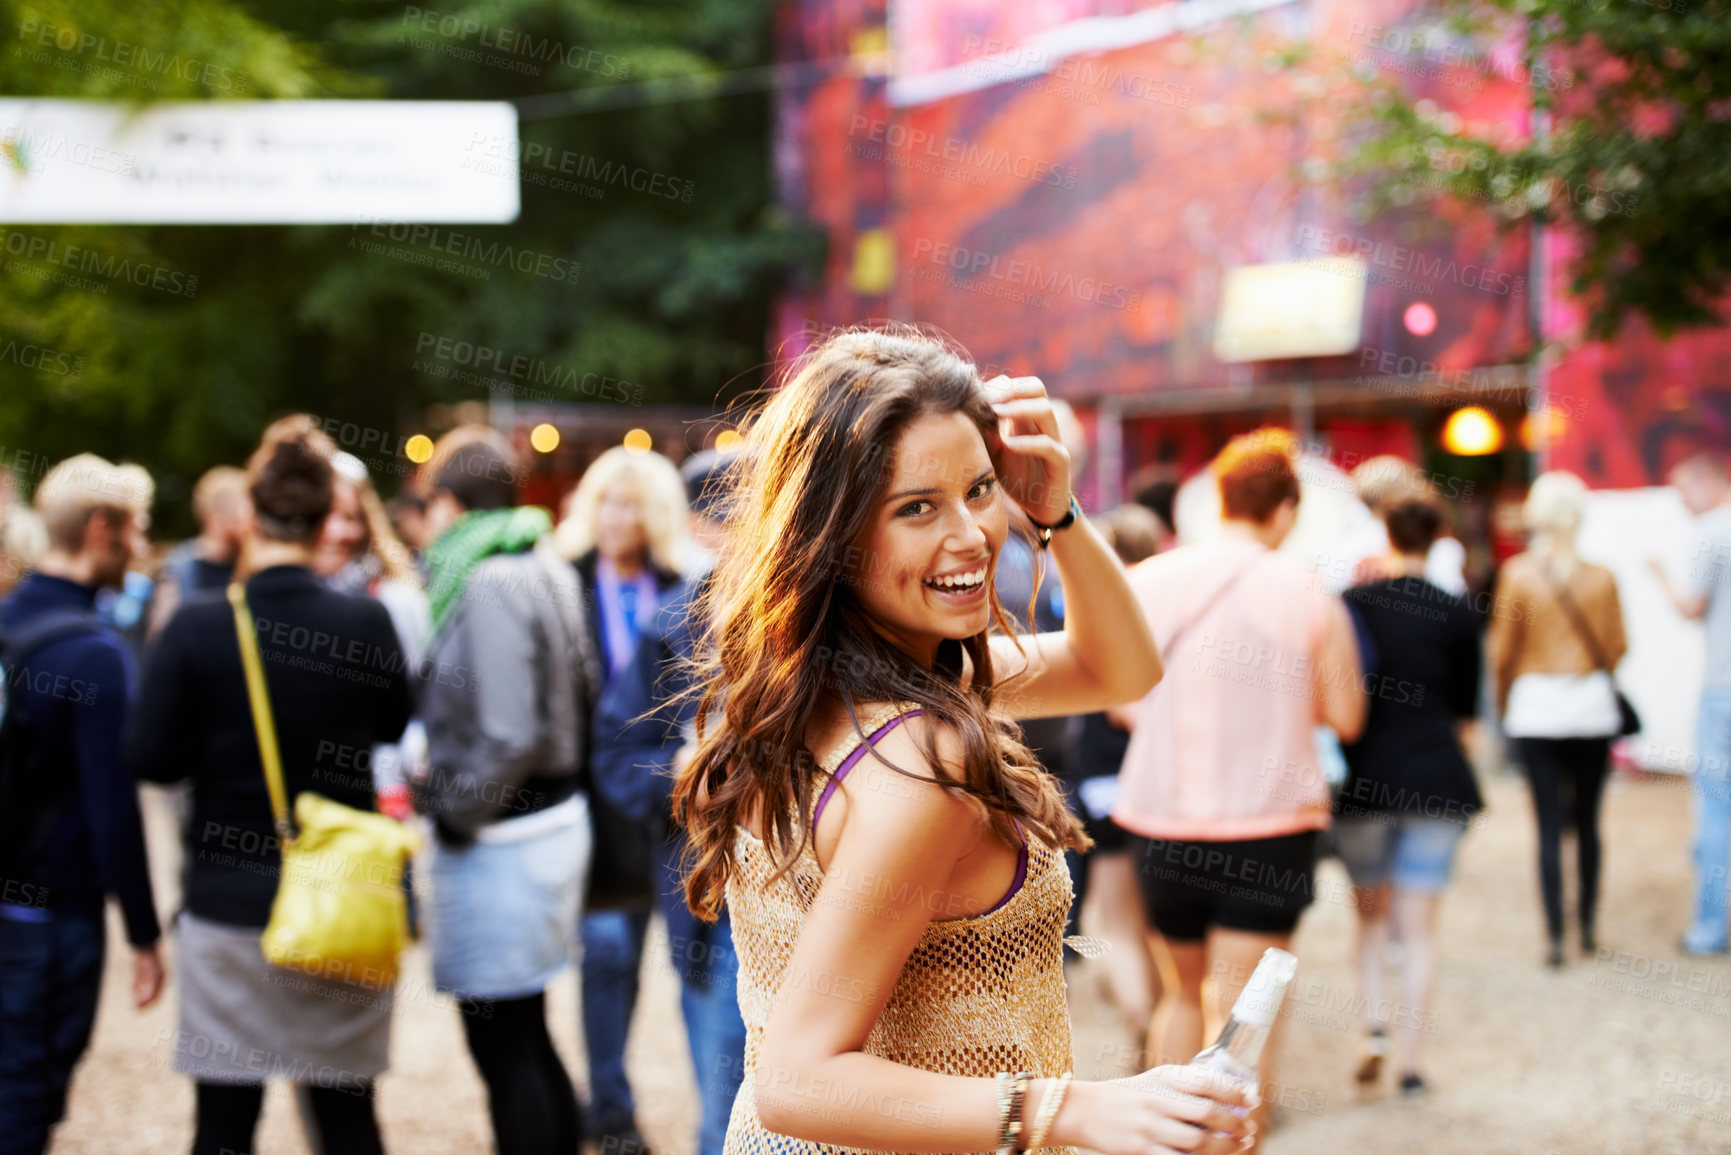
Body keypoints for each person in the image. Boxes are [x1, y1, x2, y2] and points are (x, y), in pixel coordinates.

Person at [672, 328, 1254, 1155]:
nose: (974, 534)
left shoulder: (822, 683)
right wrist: (1074, 1110)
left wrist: (1054, 511)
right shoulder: (921, 758)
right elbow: (798, 1079)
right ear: (829, 536)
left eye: (979, 489)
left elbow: (1116, 667)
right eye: (917, 506)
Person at [128, 417, 414, 1155]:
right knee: (347, 1116)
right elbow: (392, 726)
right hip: (340, 898)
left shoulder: (195, 627)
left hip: (228, 907)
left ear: (251, 515)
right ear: (327, 520)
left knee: (223, 1123)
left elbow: (151, 757)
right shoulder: (365, 620)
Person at [1112, 428, 1366, 1141]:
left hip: (1161, 817)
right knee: (1246, 1013)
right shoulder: (1307, 591)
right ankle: (1233, 1143)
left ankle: (1166, 1139)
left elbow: (1116, 696)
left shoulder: (1150, 580)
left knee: (1182, 992)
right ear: (1285, 510)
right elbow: (1346, 714)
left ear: (1217, 499)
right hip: (1271, 823)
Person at [415, 427, 597, 1155]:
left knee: (501, 1047)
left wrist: (453, 808)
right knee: (525, 1030)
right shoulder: (541, 558)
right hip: (547, 820)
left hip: (502, 834)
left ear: (451, 506)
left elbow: (508, 731)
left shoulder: (488, 578)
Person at [0, 454, 164, 1155]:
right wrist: (144, 931)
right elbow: (112, 810)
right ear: (103, 528)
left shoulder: (6, 620)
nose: (143, 546)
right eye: (136, 528)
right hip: (52, 909)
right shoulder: (95, 655)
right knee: (27, 1090)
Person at [591, 446, 748, 1155]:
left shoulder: (832, 611)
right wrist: (681, 767)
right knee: (728, 1097)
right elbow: (616, 753)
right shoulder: (675, 621)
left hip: (828, 891)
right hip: (713, 896)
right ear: (700, 527)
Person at [553, 444, 688, 1155]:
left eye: (631, 501)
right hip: (589, 805)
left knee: (673, 960)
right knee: (605, 955)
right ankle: (609, 1101)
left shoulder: (681, 587)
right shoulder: (564, 582)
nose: (616, 515)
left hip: (662, 797)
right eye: (606, 499)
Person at [1335, 497, 1485, 1097]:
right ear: (1440, 537)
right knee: (1420, 930)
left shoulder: (1353, 605)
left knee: (1370, 920)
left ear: (1386, 533)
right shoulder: (1459, 612)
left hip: (1365, 781)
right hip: (1437, 782)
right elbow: (1468, 721)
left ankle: (1373, 1030)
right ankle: (1412, 1062)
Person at [1487, 471, 1628, 967]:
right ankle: (1587, 925)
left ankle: (1554, 935)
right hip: (1590, 706)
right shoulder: (1602, 577)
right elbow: (1617, 646)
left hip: (1537, 709)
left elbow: (1503, 652)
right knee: (1588, 822)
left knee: (1546, 825)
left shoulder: (1519, 575)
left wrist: (1504, 705)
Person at [1066, 504, 1164, 1059]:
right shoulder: (1170, 607)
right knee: (1154, 926)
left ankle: (1144, 1024)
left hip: (1106, 782)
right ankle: (1161, 1017)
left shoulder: (1098, 613)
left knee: (1118, 923)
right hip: (1164, 787)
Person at [314, 452, 431, 821]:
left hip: (381, 805)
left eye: (349, 516)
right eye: (325, 515)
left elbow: (422, 698)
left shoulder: (396, 597)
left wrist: (399, 781)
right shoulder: (283, 598)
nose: (337, 531)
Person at [1650, 452, 1731, 955]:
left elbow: (1690, 606)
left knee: (1715, 812)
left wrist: (1658, 572)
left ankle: (1709, 926)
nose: (1682, 504)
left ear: (1706, 483)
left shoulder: (1712, 533)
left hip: (1722, 692)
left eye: (1683, 493)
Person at [146, 465, 250, 639]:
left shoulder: (247, 565)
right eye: (242, 510)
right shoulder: (179, 568)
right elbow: (161, 634)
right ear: (216, 515)